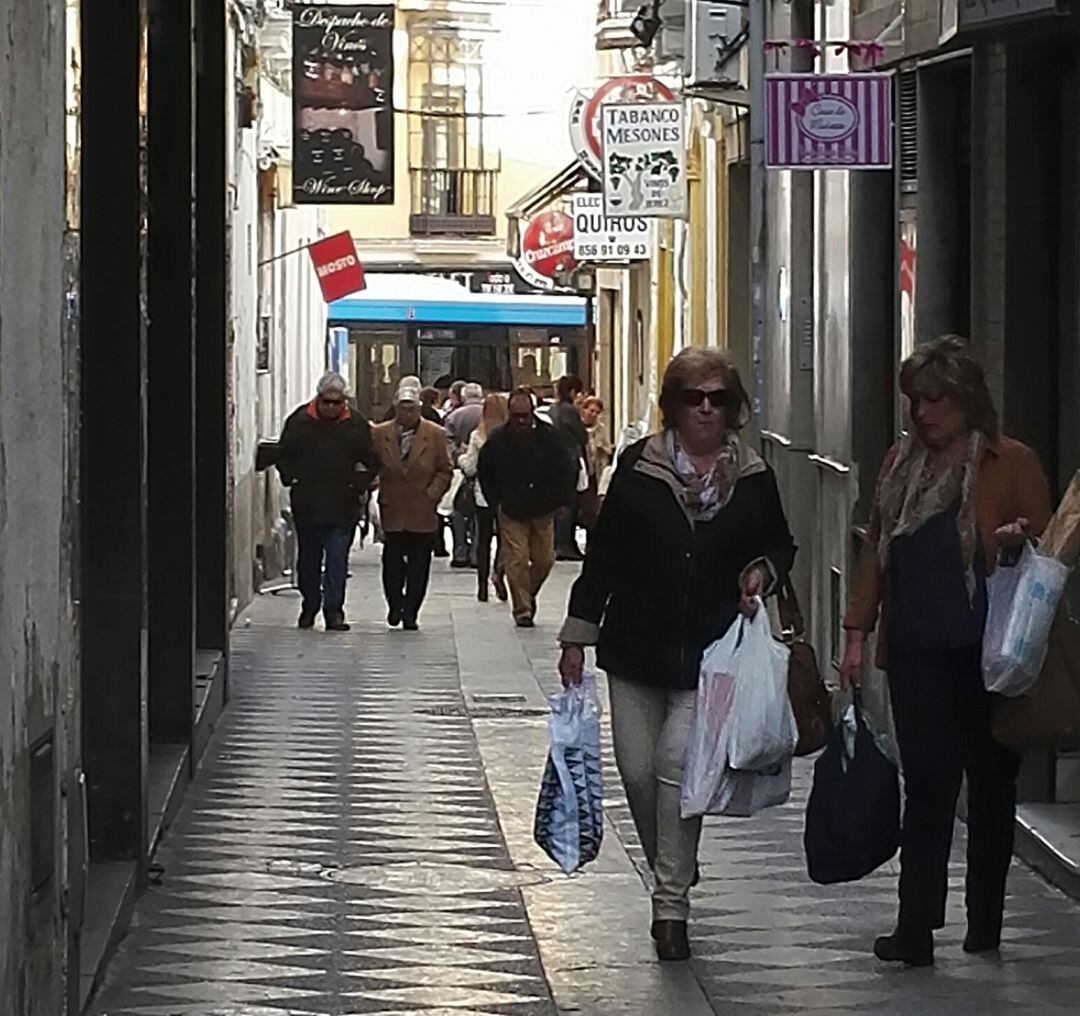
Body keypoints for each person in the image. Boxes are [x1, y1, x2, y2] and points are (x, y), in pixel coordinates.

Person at [557, 348, 796, 962]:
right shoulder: (641, 467)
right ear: (674, 406)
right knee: (636, 773)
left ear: (734, 407)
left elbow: (780, 542)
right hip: (635, 645)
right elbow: (604, 554)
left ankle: (670, 907)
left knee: (674, 768)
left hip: (712, 652)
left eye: (719, 398)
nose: (707, 410)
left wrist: (761, 572)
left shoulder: (753, 476)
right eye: (695, 398)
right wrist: (577, 633)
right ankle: (678, 864)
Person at [840, 336, 1052, 968]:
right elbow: (875, 550)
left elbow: (1049, 553)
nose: (923, 412)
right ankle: (915, 926)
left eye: (935, 399)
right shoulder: (899, 466)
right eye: (915, 401)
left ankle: (985, 919)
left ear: (965, 400)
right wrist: (856, 632)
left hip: (993, 653)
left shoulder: (1010, 463)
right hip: (916, 650)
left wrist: (1018, 538)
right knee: (928, 784)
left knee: (991, 786)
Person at [276, 372, 380, 632]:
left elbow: (371, 459)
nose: (332, 407)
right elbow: (283, 454)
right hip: (308, 503)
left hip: (342, 505)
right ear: (319, 399)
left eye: (337, 402)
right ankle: (310, 603)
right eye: (327, 402)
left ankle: (334, 611)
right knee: (308, 560)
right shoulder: (300, 421)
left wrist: (359, 483)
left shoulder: (355, 424)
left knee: (337, 560)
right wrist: (292, 478)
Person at [478, 388, 576, 628]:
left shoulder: (550, 438)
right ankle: (522, 609)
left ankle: (527, 592)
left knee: (544, 560)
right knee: (517, 560)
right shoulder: (498, 441)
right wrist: (496, 501)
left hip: (544, 508)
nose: (521, 421)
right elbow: (485, 471)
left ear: (532, 413)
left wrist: (562, 500)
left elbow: (566, 469)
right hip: (511, 509)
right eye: (516, 416)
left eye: (525, 415)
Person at [371, 378, 453, 631]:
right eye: (403, 408)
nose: (408, 413)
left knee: (419, 563)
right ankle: (395, 603)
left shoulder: (435, 434)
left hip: (422, 507)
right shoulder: (380, 433)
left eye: (413, 408)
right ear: (395, 408)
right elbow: (371, 464)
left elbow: (445, 470)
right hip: (393, 506)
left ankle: (411, 611)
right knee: (392, 561)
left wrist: (432, 494)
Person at [460, 394, 510, 603]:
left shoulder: (478, 436)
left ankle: (481, 585)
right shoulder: (510, 435)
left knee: (484, 538)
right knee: (506, 538)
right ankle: (499, 572)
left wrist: (461, 458)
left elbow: (470, 467)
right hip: (508, 493)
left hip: (483, 493)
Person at [445, 382, 486, 568]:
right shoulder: (488, 416)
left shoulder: (454, 416)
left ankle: (460, 551)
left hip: (463, 472)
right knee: (481, 516)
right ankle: (478, 553)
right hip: (485, 474)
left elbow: (448, 442)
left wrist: (457, 455)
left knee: (459, 511)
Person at [549, 375, 590, 561]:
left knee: (559, 503)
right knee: (568, 504)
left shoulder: (553, 410)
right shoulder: (569, 411)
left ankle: (562, 542)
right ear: (573, 392)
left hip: (554, 462)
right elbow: (582, 436)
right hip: (569, 461)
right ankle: (564, 544)